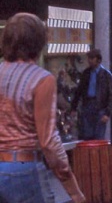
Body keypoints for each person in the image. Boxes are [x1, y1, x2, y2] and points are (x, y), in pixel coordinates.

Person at [0, 13, 85, 203]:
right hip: (24, 168)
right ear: (38, 42)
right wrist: (73, 190)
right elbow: (48, 141)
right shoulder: (42, 79)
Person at [71, 48, 112, 141]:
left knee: (98, 136)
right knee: (87, 134)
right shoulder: (86, 73)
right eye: (89, 58)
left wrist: (107, 113)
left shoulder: (106, 75)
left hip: (100, 107)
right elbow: (79, 90)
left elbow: (111, 96)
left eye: (92, 58)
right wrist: (74, 107)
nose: (89, 61)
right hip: (88, 105)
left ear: (98, 59)